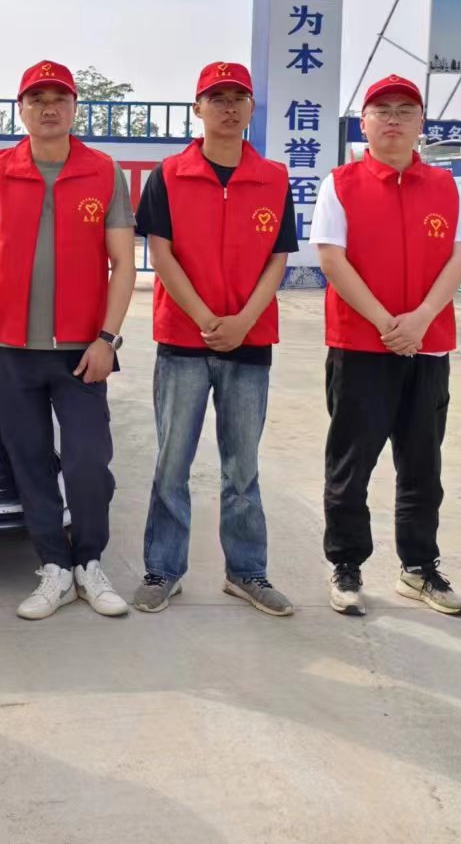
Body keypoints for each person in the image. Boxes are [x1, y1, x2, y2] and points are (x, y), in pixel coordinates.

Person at [0, 60, 136, 620]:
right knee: (30, 460)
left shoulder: (103, 172)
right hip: (11, 348)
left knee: (88, 461)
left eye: (59, 98)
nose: (49, 108)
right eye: (37, 99)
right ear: (19, 109)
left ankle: (89, 561)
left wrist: (108, 339)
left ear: (74, 108)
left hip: (81, 352)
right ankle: (54, 567)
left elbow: (123, 263)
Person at [131, 62, 298, 617]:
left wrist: (244, 320)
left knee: (242, 468)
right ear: (197, 108)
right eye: (216, 97)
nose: (228, 107)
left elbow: (278, 258)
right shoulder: (169, 175)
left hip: (250, 340)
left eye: (238, 97)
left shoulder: (273, 178)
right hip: (183, 340)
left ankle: (247, 572)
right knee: (171, 465)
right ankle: (163, 569)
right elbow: (160, 254)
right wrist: (207, 318)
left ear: (251, 108)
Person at [313, 74, 461, 616]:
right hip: (361, 346)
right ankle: (346, 564)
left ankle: (419, 568)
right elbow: (332, 258)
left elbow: (460, 253)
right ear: (364, 123)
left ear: (420, 123)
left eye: (406, 110)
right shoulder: (341, 183)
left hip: (427, 347)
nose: (394, 120)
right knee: (350, 465)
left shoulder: (445, 185)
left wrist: (422, 319)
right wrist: (387, 323)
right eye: (382, 110)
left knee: (422, 464)